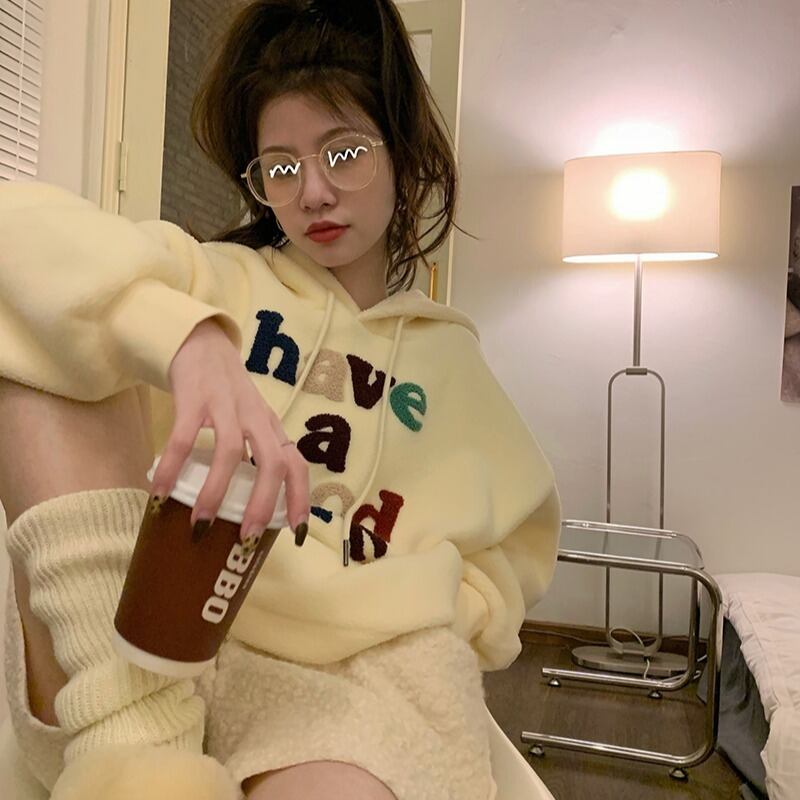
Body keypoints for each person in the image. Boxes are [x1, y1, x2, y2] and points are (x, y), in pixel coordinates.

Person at [0, 1, 561, 798]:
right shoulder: (213, 279)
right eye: (282, 167)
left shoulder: (450, 363)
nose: (314, 192)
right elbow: (15, 235)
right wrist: (186, 338)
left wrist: (444, 611)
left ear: (402, 152)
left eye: (345, 153)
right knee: (36, 352)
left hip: (348, 680)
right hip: (142, 653)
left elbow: (517, 544)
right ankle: (140, 748)